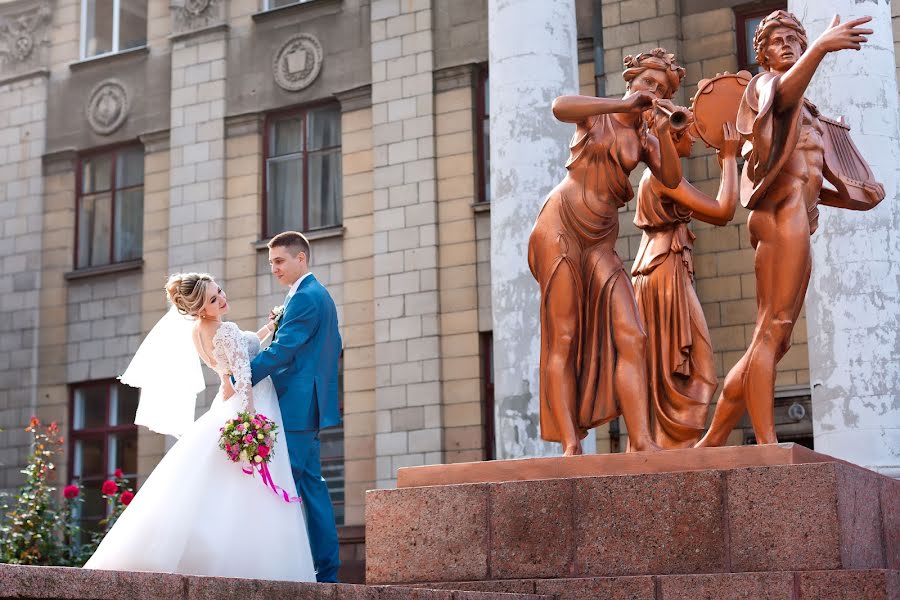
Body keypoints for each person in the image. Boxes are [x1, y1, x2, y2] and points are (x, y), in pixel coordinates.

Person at [697, 11, 881, 447]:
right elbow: (780, 99)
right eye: (775, 40)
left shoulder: (816, 117)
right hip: (779, 216)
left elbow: (852, 189)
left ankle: (713, 439)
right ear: (762, 53)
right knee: (772, 328)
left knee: (773, 339)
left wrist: (850, 191)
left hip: (799, 215)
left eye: (793, 39)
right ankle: (765, 443)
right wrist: (820, 46)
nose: (786, 45)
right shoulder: (763, 86)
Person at [84, 273, 316, 581]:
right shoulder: (227, 329)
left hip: (226, 404)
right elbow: (244, 376)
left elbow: (237, 356)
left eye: (219, 290)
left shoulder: (199, 332)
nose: (221, 298)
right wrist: (251, 423)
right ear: (200, 309)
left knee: (216, 482)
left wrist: (270, 326)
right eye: (212, 299)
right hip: (253, 404)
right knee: (249, 485)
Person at [527, 48, 686, 455]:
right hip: (560, 225)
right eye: (647, 83)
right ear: (631, 81)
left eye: (662, 88)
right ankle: (569, 444)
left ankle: (642, 440)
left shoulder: (647, 136)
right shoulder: (596, 113)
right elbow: (560, 106)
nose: (653, 91)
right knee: (563, 334)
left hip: (601, 238)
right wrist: (621, 103)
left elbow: (669, 177)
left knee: (632, 334)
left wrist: (665, 131)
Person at [231, 231, 342, 583]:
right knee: (311, 485)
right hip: (304, 404)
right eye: (271, 263)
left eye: (280, 261)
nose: (274, 269)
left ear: (301, 258)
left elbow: (284, 350)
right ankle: (326, 571)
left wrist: (242, 378)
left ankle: (291, 568)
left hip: (296, 406)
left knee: (285, 485)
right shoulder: (312, 295)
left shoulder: (307, 297)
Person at [632, 122, 741, 448]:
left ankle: (674, 445)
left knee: (685, 367)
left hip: (666, 268)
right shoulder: (665, 179)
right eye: (688, 130)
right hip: (662, 272)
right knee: (694, 369)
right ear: (673, 136)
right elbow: (723, 212)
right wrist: (731, 159)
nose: (694, 136)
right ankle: (674, 446)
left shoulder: (665, 177)